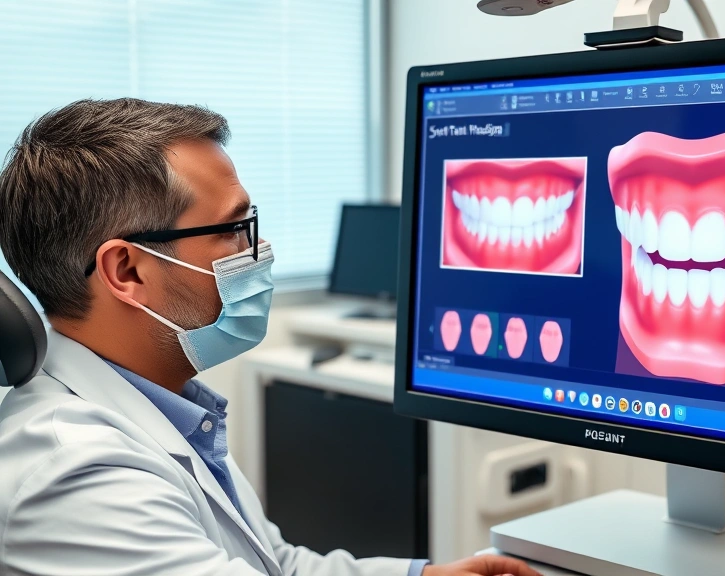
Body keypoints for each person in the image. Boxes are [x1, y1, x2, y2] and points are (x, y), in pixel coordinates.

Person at [0, 99, 540, 576]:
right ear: (128, 271)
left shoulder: (164, 406)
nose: (256, 250)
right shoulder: (78, 475)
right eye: (233, 228)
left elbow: (273, 563)